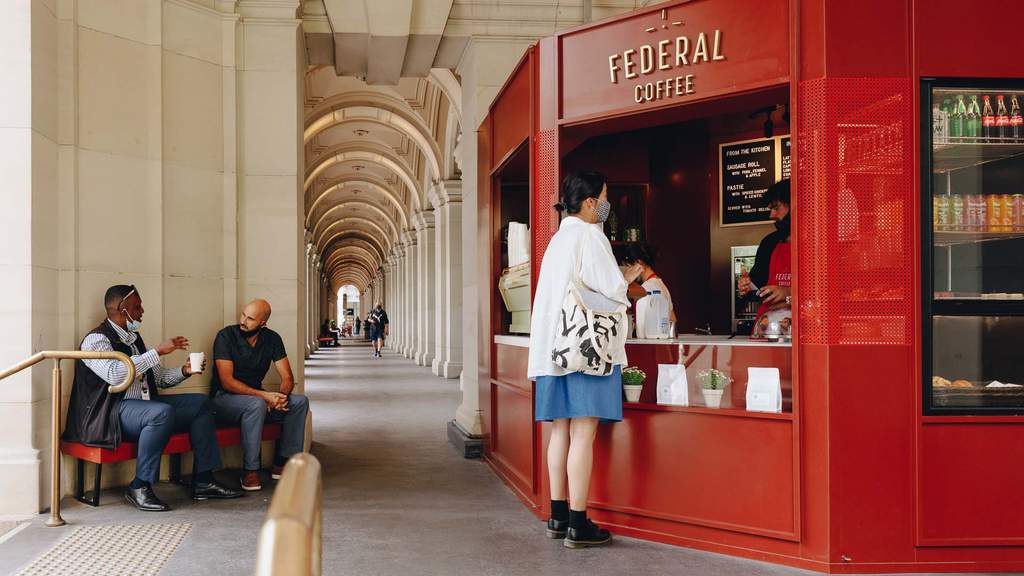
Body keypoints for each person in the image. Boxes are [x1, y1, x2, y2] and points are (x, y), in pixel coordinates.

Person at [528, 171, 644, 549]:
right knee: (584, 433)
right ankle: (580, 521)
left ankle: (558, 515)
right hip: (585, 352)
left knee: (560, 431)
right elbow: (609, 288)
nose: (607, 205)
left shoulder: (557, 240)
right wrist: (628, 275)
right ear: (592, 202)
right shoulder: (590, 236)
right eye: (605, 197)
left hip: (552, 350)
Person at [63, 285, 242, 512]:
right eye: (137, 307)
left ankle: (204, 480)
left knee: (199, 403)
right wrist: (156, 352)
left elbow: (158, 379)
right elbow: (116, 375)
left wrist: (184, 371)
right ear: (122, 309)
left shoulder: (134, 338)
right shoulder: (96, 340)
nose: (142, 311)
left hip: (144, 409)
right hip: (110, 414)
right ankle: (140, 485)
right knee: (159, 413)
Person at [210, 300, 310, 491]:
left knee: (299, 402)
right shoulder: (225, 336)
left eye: (250, 319)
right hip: (223, 399)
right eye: (243, 315)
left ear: (263, 323)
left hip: (256, 399)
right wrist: (265, 398)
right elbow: (227, 381)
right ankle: (250, 472)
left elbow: (288, 377)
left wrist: (280, 397)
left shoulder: (272, 339)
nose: (243, 321)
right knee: (256, 404)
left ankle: (281, 463)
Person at [737, 179, 792, 337]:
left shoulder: (820, 243)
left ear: (795, 204)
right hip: (768, 329)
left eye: (776, 208)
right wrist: (747, 287)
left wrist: (789, 292)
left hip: (803, 335)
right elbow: (757, 289)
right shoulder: (769, 242)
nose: (771, 215)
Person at [621, 243, 677, 328]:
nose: (628, 271)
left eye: (628, 267)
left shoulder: (645, 289)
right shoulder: (660, 284)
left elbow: (641, 325)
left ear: (639, 263)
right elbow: (673, 319)